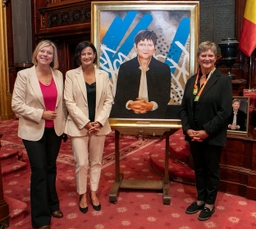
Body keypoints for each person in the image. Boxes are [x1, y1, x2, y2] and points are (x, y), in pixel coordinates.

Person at [11, 40, 66, 229]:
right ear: (36, 53)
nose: (45, 55)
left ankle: (53, 205)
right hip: (33, 130)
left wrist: (65, 126)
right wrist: (40, 114)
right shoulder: (24, 75)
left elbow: (62, 104)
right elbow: (16, 105)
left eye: (49, 53)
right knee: (40, 170)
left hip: (55, 129)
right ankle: (41, 218)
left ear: (53, 57)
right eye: (42, 51)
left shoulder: (58, 75)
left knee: (51, 168)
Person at [179, 41, 232, 221]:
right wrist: (188, 130)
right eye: (203, 55)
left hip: (212, 136)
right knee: (199, 169)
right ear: (198, 58)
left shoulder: (223, 80)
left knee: (211, 171)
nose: (207, 58)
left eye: (210, 55)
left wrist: (206, 131)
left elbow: (225, 111)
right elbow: (184, 109)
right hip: (193, 136)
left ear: (215, 58)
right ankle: (200, 199)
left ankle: (210, 203)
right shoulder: (190, 81)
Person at [64, 41, 113, 214]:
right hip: (78, 126)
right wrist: (85, 122)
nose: (87, 56)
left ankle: (93, 193)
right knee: (82, 162)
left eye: (89, 53)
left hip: (99, 126)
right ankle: (82, 194)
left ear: (94, 55)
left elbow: (108, 100)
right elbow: (68, 101)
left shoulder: (103, 75)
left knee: (97, 161)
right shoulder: (71, 75)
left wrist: (99, 121)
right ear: (79, 56)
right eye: (83, 54)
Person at [110, 30, 171, 118]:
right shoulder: (125, 67)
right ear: (136, 46)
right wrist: (131, 104)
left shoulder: (163, 68)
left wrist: (151, 106)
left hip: (155, 115)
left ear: (155, 47)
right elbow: (120, 96)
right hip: (129, 115)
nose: (145, 49)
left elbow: (165, 96)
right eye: (142, 45)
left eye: (149, 45)